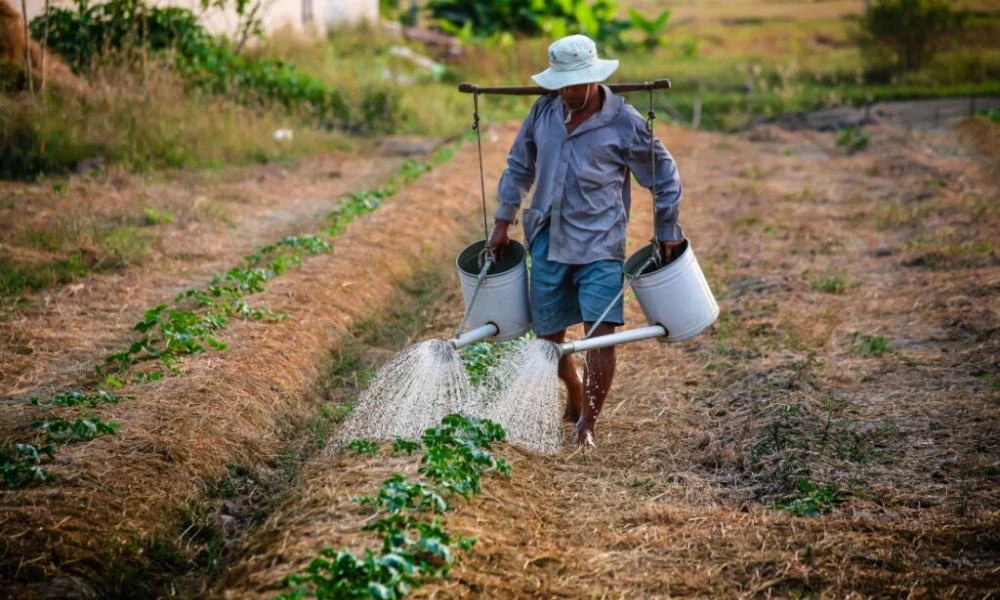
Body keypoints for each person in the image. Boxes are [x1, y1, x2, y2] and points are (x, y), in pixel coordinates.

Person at [487, 34, 685, 448]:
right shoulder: (543, 112)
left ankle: (587, 425)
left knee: (601, 333)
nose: (569, 92)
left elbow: (664, 175)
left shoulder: (624, 122)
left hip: (600, 243)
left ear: (595, 79)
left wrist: (667, 229)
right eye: (562, 84)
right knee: (549, 338)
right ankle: (574, 387)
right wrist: (502, 221)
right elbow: (518, 166)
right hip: (547, 236)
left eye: (576, 84)